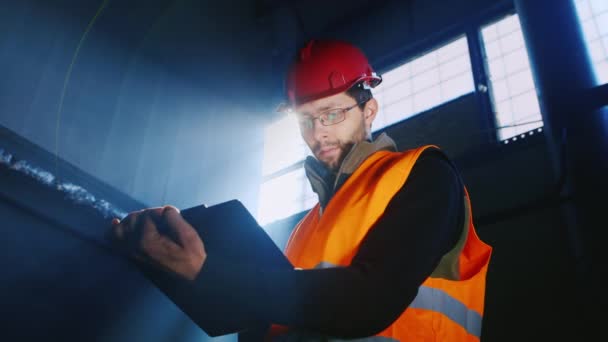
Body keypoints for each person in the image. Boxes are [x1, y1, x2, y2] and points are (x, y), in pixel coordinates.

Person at [111, 39, 492, 341]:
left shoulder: (422, 174)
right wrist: (183, 271)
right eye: (306, 120)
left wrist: (211, 272)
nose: (318, 132)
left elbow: (370, 302)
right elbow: (275, 318)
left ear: (369, 110)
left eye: (332, 114)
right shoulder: (303, 231)